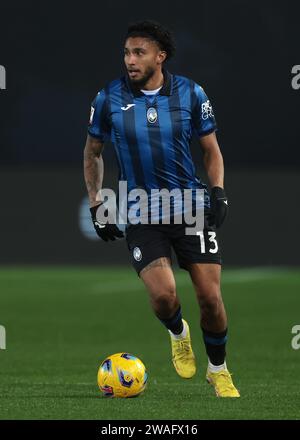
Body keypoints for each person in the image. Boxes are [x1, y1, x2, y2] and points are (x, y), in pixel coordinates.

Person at [83, 20, 239, 397]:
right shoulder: (109, 98)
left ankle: (218, 370)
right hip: (141, 211)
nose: (130, 60)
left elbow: (211, 150)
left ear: (160, 57)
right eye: (126, 52)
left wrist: (218, 192)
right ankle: (178, 332)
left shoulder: (190, 93)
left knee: (210, 299)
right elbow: (93, 152)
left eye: (139, 53)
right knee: (165, 296)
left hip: (189, 208)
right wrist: (97, 202)